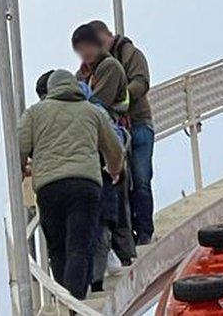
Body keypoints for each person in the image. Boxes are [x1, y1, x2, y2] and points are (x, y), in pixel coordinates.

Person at [18, 70, 125, 300]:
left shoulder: (35, 113)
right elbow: (114, 148)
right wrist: (114, 169)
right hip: (85, 185)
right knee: (80, 246)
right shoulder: (92, 111)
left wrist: (22, 169)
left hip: (49, 187)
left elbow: (19, 146)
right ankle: (75, 300)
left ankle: (65, 299)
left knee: (57, 248)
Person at [73, 23, 137, 283]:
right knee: (107, 201)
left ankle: (121, 253)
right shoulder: (85, 73)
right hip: (97, 140)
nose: (83, 53)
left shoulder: (110, 67)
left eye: (86, 47)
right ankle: (111, 255)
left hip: (112, 135)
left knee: (116, 199)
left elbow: (97, 103)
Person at [89, 20, 156, 246]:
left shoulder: (131, 54)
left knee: (141, 178)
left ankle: (145, 230)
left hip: (138, 124)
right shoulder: (92, 65)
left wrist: (120, 96)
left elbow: (142, 81)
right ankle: (128, 235)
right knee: (121, 183)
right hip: (115, 130)